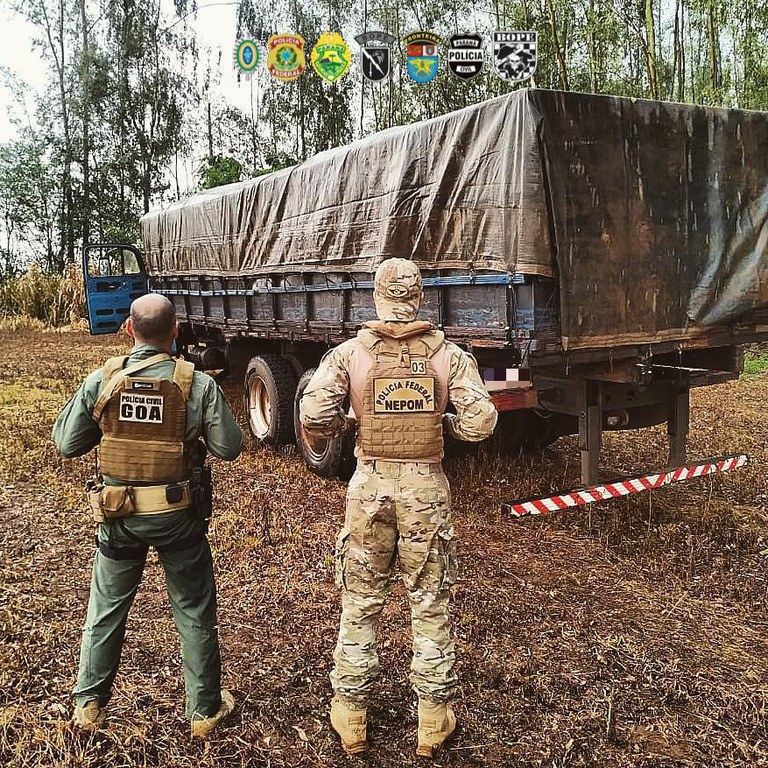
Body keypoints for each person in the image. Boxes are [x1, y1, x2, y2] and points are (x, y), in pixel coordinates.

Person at [299, 258, 498, 757]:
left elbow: (313, 414)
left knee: (360, 604)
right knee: (429, 603)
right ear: (421, 297)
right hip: (426, 489)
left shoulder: (349, 354)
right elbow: (481, 422)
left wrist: (350, 424)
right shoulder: (448, 357)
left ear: (376, 296)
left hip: (368, 489)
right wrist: (441, 428)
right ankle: (433, 722)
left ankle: (351, 718)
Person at [52, 293, 243, 739]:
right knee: (193, 609)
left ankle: (89, 705)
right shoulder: (196, 384)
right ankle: (204, 710)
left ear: (129, 329)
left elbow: (66, 442)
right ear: (175, 331)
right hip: (179, 518)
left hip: (118, 519)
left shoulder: (104, 380)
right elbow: (229, 448)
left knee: (105, 610)